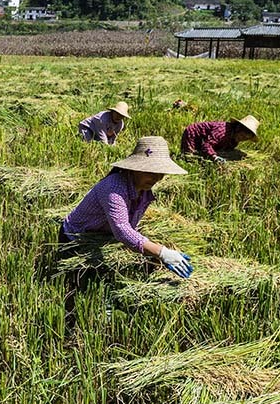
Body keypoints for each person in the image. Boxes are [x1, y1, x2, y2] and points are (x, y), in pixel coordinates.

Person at [59, 136, 192, 323]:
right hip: (77, 237)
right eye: (151, 172)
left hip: (103, 236)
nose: (157, 178)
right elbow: (122, 229)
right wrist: (161, 252)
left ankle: (107, 307)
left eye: (161, 173)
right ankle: (75, 317)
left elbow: (130, 226)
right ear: (134, 168)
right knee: (80, 284)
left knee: (104, 276)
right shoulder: (113, 187)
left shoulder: (144, 191)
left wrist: (147, 252)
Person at [180, 115, 259, 163]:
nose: (242, 139)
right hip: (194, 134)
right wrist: (214, 156)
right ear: (238, 129)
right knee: (189, 156)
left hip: (206, 137)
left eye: (245, 139)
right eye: (242, 136)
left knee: (205, 155)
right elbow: (207, 144)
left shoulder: (234, 139)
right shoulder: (222, 132)